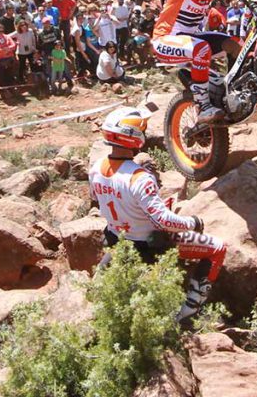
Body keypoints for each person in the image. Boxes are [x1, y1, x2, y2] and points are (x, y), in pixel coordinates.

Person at [90, 107, 226, 324]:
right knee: (218, 249)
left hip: (117, 238)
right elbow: (162, 220)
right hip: (147, 244)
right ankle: (188, 312)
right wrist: (192, 222)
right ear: (134, 137)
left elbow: (97, 198)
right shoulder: (139, 178)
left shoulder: (97, 168)